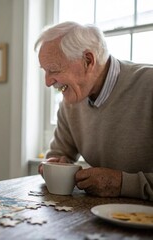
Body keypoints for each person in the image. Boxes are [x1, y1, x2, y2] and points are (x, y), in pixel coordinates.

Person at [34, 21, 153, 201]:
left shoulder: (149, 85)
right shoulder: (71, 99)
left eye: (54, 70)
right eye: (45, 71)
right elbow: (59, 155)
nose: (48, 82)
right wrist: (53, 166)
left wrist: (123, 183)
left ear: (88, 61)